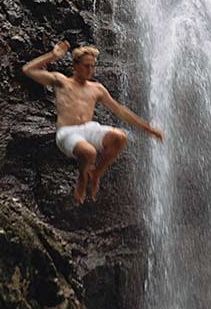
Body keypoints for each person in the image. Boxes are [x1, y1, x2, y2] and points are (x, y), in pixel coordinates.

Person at [22, 40, 163, 204]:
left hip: (88, 129)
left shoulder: (97, 88)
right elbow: (28, 70)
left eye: (92, 66)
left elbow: (120, 110)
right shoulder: (61, 82)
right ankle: (82, 178)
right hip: (67, 132)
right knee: (89, 153)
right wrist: (53, 56)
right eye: (86, 66)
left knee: (120, 137)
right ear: (75, 65)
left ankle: (96, 173)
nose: (90, 70)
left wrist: (149, 129)